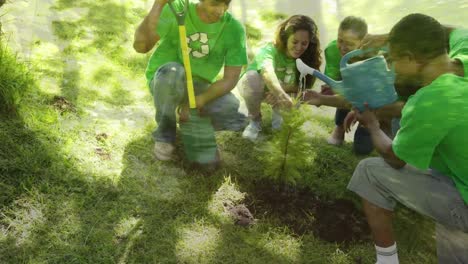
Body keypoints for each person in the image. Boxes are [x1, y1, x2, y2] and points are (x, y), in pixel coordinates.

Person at [347, 13, 468, 264]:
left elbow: (394, 159)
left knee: (369, 172)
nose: (390, 69)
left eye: (392, 60)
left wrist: (371, 124)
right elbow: (452, 30)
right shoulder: (464, 52)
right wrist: (390, 37)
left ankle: (387, 261)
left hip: (464, 203)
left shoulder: (430, 101)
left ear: (411, 59)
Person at [133, 0, 248, 161]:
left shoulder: (234, 29)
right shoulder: (178, 8)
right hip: (167, 79)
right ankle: (165, 135)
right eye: (214, 4)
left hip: (198, 88)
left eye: (225, 4)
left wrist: (199, 100)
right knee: (173, 73)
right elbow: (141, 46)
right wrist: (158, 5)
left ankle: (191, 123)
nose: (220, 10)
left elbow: (231, 78)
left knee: (233, 110)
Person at [238, 15, 321, 141]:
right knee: (252, 78)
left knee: (282, 128)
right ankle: (255, 121)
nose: (299, 47)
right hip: (259, 89)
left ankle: (279, 128)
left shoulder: (309, 57)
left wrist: (282, 91)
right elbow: (267, 71)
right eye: (295, 42)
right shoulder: (269, 50)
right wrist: (280, 94)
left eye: (304, 43)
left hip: (282, 93)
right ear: (286, 37)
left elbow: (305, 86)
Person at [303, 16, 374, 155]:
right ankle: (339, 127)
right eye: (340, 40)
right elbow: (333, 83)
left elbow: (372, 94)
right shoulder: (333, 50)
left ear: (363, 43)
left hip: (370, 99)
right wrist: (323, 96)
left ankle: (368, 125)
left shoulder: (373, 57)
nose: (342, 47)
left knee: (362, 149)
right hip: (347, 88)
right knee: (343, 87)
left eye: (349, 43)